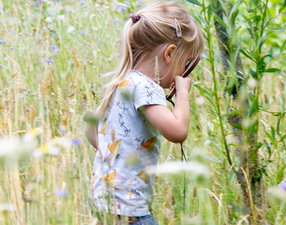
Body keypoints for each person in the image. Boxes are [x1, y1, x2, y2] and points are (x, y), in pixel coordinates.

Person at [84, 2, 204, 224]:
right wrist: (183, 92)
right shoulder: (147, 88)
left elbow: (91, 131)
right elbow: (178, 132)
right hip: (130, 207)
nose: (185, 73)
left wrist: (117, 153)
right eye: (186, 64)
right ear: (170, 54)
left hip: (103, 201)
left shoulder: (121, 82)